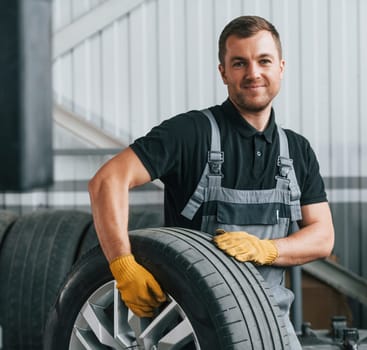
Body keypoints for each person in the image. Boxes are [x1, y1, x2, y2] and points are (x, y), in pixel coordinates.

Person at [88, 15, 334, 348]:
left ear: (280, 67)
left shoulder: (297, 150)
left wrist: (267, 249)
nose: (253, 73)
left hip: (268, 322)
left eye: (263, 61)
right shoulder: (191, 134)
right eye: (239, 63)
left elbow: (322, 237)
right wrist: (122, 263)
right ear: (223, 72)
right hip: (190, 324)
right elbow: (108, 180)